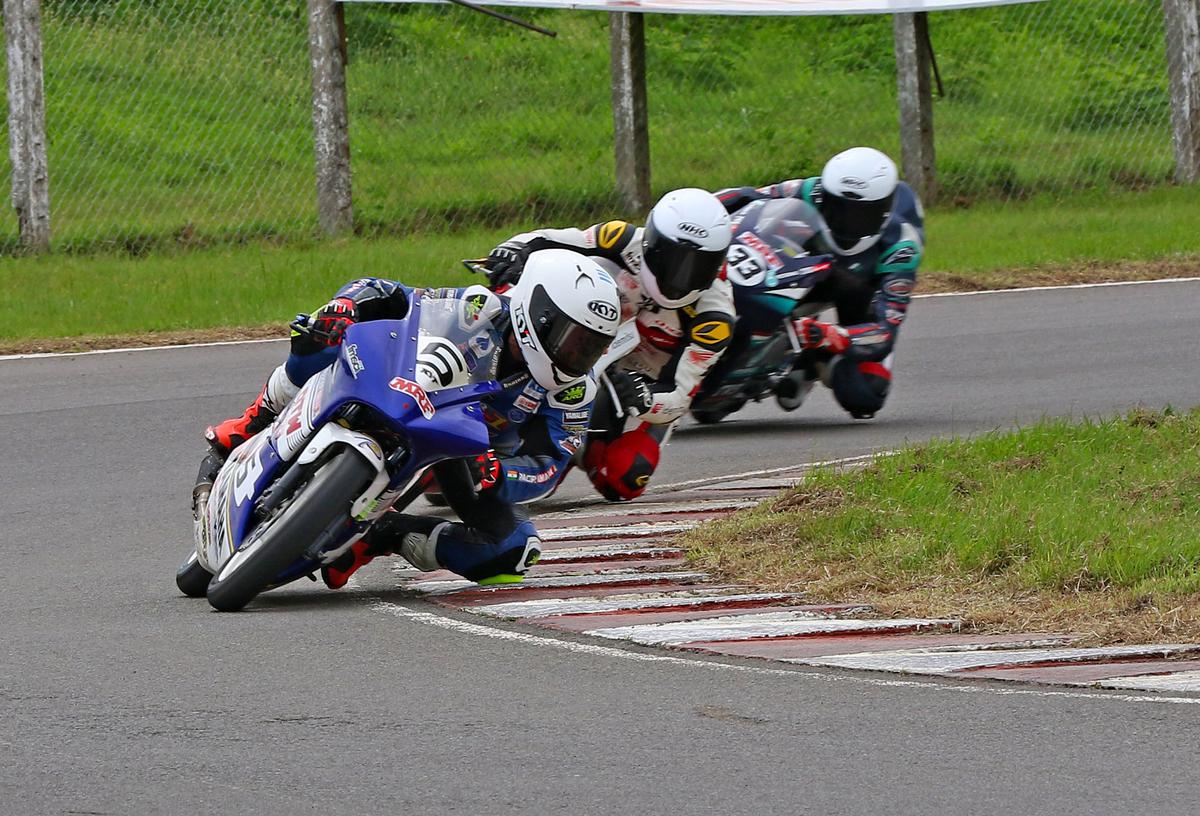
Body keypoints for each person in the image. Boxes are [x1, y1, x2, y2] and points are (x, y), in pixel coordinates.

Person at [194, 249, 622, 587]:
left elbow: (549, 467)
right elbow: (395, 296)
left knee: (515, 550)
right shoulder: (480, 307)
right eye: (574, 341)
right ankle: (254, 420)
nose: (579, 357)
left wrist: (502, 471)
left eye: (592, 348)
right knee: (316, 341)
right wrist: (345, 307)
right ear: (539, 316)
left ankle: (386, 534)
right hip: (407, 391)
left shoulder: (572, 391)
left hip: (466, 457)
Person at [483, 188, 734, 502]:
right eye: (673, 260)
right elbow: (548, 240)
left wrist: (644, 399)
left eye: (697, 266)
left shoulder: (715, 318)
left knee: (625, 478)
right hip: (583, 341)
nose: (680, 277)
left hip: (637, 386)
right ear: (652, 241)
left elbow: (681, 396)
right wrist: (512, 251)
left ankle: (577, 450)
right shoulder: (621, 238)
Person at [715, 146, 925, 419]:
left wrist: (829, 336)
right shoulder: (809, 190)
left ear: (882, 214)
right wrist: (702, 209)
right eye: (836, 206)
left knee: (865, 395)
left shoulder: (900, 248)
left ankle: (813, 362)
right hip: (811, 269)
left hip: (861, 295)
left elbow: (883, 332)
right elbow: (748, 195)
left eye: (858, 215)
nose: (843, 221)